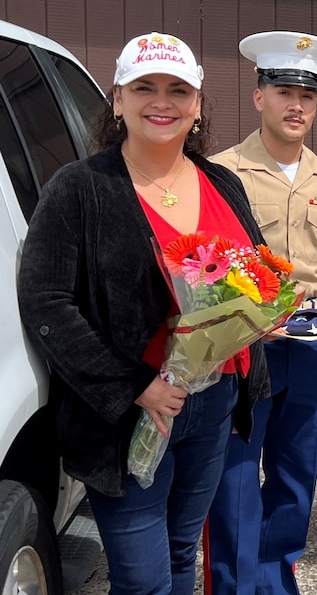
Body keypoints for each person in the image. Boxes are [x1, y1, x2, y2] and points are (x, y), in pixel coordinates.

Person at [17, 31, 269, 594]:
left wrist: (261, 315)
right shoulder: (80, 189)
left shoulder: (221, 183)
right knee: (142, 577)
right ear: (117, 99)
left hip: (213, 404)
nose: (163, 102)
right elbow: (46, 301)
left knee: (183, 552)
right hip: (129, 414)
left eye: (178, 90)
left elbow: (249, 276)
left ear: (198, 104)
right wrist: (136, 386)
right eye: (145, 88)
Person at [202, 31, 317, 595]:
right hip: (239, 352)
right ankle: (232, 585)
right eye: (282, 90)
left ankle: (276, 581)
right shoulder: (218, 175)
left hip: (305, 351)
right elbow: (201, 269)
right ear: (259, 96)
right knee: (232, 482)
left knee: (296, 479)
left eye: (307, 94)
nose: (296, 104)